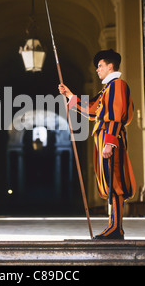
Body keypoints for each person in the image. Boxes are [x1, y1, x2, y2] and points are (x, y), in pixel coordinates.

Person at [58, 49, 136, 239]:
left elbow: (115, 116)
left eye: (100, 66)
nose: (97, 70)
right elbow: (93, 110)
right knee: (110, 182)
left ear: (110, 66)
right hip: (104, 139)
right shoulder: (107, 89)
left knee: (114, 182)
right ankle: (114, 226)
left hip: (111, 139)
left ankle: (116, 228)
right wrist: (70, 96)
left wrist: (109, 142)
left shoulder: (117, 85)